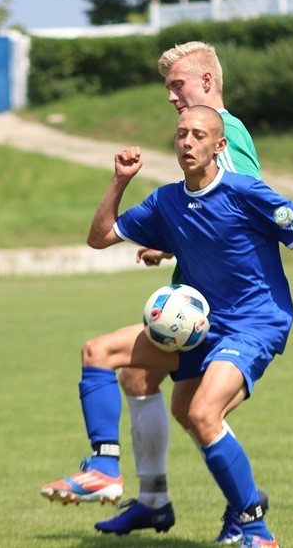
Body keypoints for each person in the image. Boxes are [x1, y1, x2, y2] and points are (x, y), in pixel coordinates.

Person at [40, 106, 293, 548]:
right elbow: (100, 236)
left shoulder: (245, 192)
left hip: (253, 324)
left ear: (219, 146)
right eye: (181, 134)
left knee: (202, 414)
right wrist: (120, 180)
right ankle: (104, 468)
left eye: (198, 135)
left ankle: (257, 532)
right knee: (99, 353)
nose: (187, 141)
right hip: (202, 326)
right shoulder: (166, 200)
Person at [96, 41, 266, 544]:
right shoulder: (208, 132)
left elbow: (240, 210)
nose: (171, 97)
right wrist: (170, 243)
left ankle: (245, 511)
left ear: (207, 82)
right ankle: (157, 502)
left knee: (199, 413)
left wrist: (176, 241)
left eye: (178, 85)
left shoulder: (225, 131)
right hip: (198, 298)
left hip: (226, 311)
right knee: (141, 380)